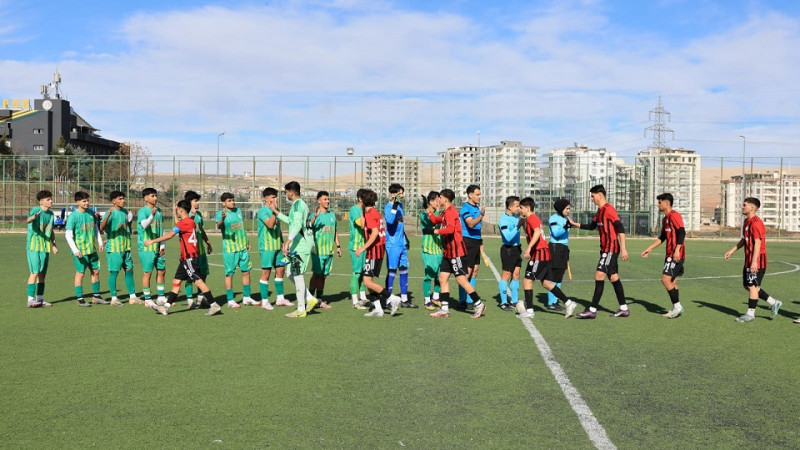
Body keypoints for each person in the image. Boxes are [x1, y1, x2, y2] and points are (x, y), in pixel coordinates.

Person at [144, 199, 220, 316]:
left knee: (198, 281)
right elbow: (178, 225)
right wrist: (175, 213)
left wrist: (152, 241)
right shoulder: (190, 222)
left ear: (181, 210)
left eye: (178, 210)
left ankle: (214, 305)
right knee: (176, 281)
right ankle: (166, 307)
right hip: (186, 259)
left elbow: (170, 235)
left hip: (189, 258)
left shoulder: (183, 223)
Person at [567, 185, 630, 319]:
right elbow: (591, 226)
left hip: (611, 249)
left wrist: (624, 248)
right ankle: (624, 308)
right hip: (605, 250)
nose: (591, 198)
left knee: (599, 275)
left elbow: (621, 228)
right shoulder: (600, 211)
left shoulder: (609, 209)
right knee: (613, 277)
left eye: (593, 196)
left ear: (600, 195)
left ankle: (592, 310)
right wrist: (574, 223)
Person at [427, 188, 486, 319]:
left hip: (455, 252)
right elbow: (436, 220)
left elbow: (450, 229)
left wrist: (436, 232)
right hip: (448, 251)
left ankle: (479, 304)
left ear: (445, 199)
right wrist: (430, 212)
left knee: (461, 279)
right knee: (443, 278)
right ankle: (444, 309)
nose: (438, 200)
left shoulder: (451, 212)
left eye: (440, 198)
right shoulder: (445, 211)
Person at [724, 197, 783, 322]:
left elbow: (758, 243)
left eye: (744, 205)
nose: (742, 207)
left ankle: (750, 314)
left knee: (752, 287)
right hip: (749, 258)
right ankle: (774, 302)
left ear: (751, 207)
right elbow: (744, 239)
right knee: (748, 285)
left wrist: (754, 261)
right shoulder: (747, 221)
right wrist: (732, 250)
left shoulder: (756, 223)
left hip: (758, 260)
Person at [519, 197, 577, 319]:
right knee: (546, 283)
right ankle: (569, 303)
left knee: (527, 281)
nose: (520, 210)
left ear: (527, 208)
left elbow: (537, 232)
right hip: (544, 254)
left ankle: (529, 311)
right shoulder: (530, 219)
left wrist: (529, 248)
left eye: (521, 207)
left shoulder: (532, 218)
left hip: (539, 254)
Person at [354, 189, 401, 317]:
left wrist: (363, 248)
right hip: (377, 250)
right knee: (368, 280)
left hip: (374, 251)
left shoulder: (370, 214)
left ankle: (392, 298)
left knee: (367, 281)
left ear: (361, 199)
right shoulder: (373, 212)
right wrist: (362, 212)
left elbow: (374, 233)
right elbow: (363, 225)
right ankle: (378, 309)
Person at [277, 181, 319, 318]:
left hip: (301, 245)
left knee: (297, 274)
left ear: (291, 192)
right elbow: (292, 221)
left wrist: (288, 241)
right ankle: (310, 299)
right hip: (299, 245)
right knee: (290, 273)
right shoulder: (300, 204)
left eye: (286, 192)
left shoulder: (297, 205)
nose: (286, 195)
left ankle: (301, 309)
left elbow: (296, 225)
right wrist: (276, 212)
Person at [641, 193, 686, 318]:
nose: (658, 205)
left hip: (676, 254)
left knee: (665, 279)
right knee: (673, 281)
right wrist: (649, 249)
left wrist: (677, 250)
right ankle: (676, 309)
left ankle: (677, 306)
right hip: (669, 255)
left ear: (667, 203)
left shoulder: (674, 215)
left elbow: (682, 232)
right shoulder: (665, 219)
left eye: (659, 202)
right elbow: (662, 237)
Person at [99, 191, 138, 306]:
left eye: (123, 198)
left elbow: (128, 228)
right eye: (120, 199)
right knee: (114, 273)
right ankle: (114, 298)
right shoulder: (111, 212)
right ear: (113, 201)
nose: (123, 201)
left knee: (129, 271)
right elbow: (101, 228)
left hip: (126, 247)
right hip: (114, 248)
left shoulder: (125, 211)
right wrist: (108, 215)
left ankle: (133, 297)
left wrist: (130, 221)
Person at [65, 191, 105, 307]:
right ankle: (80, 298)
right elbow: (68, 235)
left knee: (96, 271)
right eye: (84, 201)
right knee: (80, 274)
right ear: (77, 202)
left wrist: (100, 242)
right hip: (81, 251)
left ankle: (96, 296)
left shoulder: (91, 213)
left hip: (92, 250)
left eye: (87, 200)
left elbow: (96, 229)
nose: (87, 203)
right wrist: (75, 250)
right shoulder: (73, 216)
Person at [216, 192, 255, 308]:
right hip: (230, 249)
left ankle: (247, 297)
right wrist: (222, 219)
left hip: (243, 247)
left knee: (246, 272)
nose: (232, 202)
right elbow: (218, 226)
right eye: (229, 200)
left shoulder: (238, 211)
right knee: (229, 274)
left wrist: (247, 242)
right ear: (223, 203)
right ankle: (230, 300)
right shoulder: (220, 214)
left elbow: (241, 228)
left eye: (233, 200)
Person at [256, 187, 290, 310]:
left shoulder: (276, 210)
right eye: (273, 197)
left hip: (277, 247)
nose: (275, 199)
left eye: (276, 197)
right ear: (266, 199)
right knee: (266, 273)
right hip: (266, 247)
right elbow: (270, 225)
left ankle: (280, 299)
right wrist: (274, 211)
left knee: (281, 269)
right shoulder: (263, 211)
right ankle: (265, 302)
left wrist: (283, 243)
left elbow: (278, 228)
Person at [384, 183, 415, 308]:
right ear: (393, 194)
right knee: (392, 271)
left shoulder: (400, 206)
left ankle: (404, 300)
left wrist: (405, 239)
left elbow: (400, 225)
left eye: (402, 193)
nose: (402, 196)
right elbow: (390, 221)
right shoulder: (388, 207)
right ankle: (388, 300)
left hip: (402, 244)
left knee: (404, 270)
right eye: (400, 193)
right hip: (392, 245)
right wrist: (395, 205)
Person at [25, 190, 58, 307]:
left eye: (51, 199)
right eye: (48, 199)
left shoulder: (51, 214)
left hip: (45, 246)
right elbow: (28, 220)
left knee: (42, 274)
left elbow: (51, 230)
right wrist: (32, 218)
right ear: (41, 201)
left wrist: (54, 245)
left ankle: (39, 299)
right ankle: (30, 300)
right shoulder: (36, 210)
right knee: (34, 272)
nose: (51, 201)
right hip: (34, 245)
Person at [309, 191, 341, 309]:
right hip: (318, 252)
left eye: (328, 199)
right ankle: (309, 299)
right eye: (325, 199)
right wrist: (315, 217)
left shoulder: (332, 215)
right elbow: (308, 226)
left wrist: (338, 246)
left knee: (323, 276)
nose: (327, 201)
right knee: (316, 275)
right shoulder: (314, 215)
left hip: (329, 252)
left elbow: (334, 231)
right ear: (319, 201)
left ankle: (319, 299)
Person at [136, 188, 166, 307]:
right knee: (147, 273)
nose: (155, 198)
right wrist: (151, 216)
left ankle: (161, 297)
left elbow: (162, 229)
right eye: (153, 196)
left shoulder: (159, 211)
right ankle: (147, 299)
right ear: (145, 198)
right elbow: (144, 225)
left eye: (156, 196)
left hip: (158, 247)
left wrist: (162, 246)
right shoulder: (142, 211)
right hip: (147, 248)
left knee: (162, 271)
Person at [183, 190, 213, 309]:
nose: (198, 203)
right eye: (195, 201)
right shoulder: (185, 214)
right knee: (190, 276)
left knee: (204, 273)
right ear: (189, 202)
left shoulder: (199, 214)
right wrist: (192, 215)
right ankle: (190, 301)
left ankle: (200, 299)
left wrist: (208, 243)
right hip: (190, 251)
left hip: (200, 250)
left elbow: (201, 229)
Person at [458, 184, 486, 309]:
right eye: (477, 194)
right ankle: (462, 300)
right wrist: (481, 215)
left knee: (475, 271)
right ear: (470, 195)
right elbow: (470, 224)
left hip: (476, 241)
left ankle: (470, 299)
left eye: (480, 194)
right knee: (467, 272)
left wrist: (480, 242)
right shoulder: (465, 208)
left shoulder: (476, 207)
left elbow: (477, 228)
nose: (479, 197)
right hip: (467, 241)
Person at [497, 196, 522, 312]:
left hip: (517, 249)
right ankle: (503, 302)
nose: (519, 208)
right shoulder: (503, 220)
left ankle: (514, 300)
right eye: (517, 206)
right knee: (506, 275)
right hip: (508, 249)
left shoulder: (516, 217)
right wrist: (518, 226)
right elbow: (508, 237)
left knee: (516, 274)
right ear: (510, 207)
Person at [546, 199, 572, 311]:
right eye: (567, 208)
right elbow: (556, 233)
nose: (568, 211)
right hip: (555, 248)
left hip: (564, 248)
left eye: (569, 208)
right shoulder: (554, 218)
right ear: (561, 208)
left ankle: (555, 301)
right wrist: (566, 226)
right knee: (553, 276)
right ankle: (551, 302)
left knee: (559, 276)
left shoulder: (565, 219)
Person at [419, 191, 443, 310]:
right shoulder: (423, 215)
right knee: (429, 275)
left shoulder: (440, 213)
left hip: (439, 248)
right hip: (429, 249)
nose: (440, 202)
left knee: (440, 275)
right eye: (438, 200)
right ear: (431, 201)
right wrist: (437, 212)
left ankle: (436, 297)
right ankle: (427, 300)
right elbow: (434, 223)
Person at [348, 189, 370, 309]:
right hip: (356, 246)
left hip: (365, 246)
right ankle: (355, 301)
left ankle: (363, 297)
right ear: (360, 199)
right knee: (356, 273)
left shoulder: (365, 209)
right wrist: (364, 213)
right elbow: (362, 224)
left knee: (363, 273)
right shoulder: (354, 210)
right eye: (365, 198)